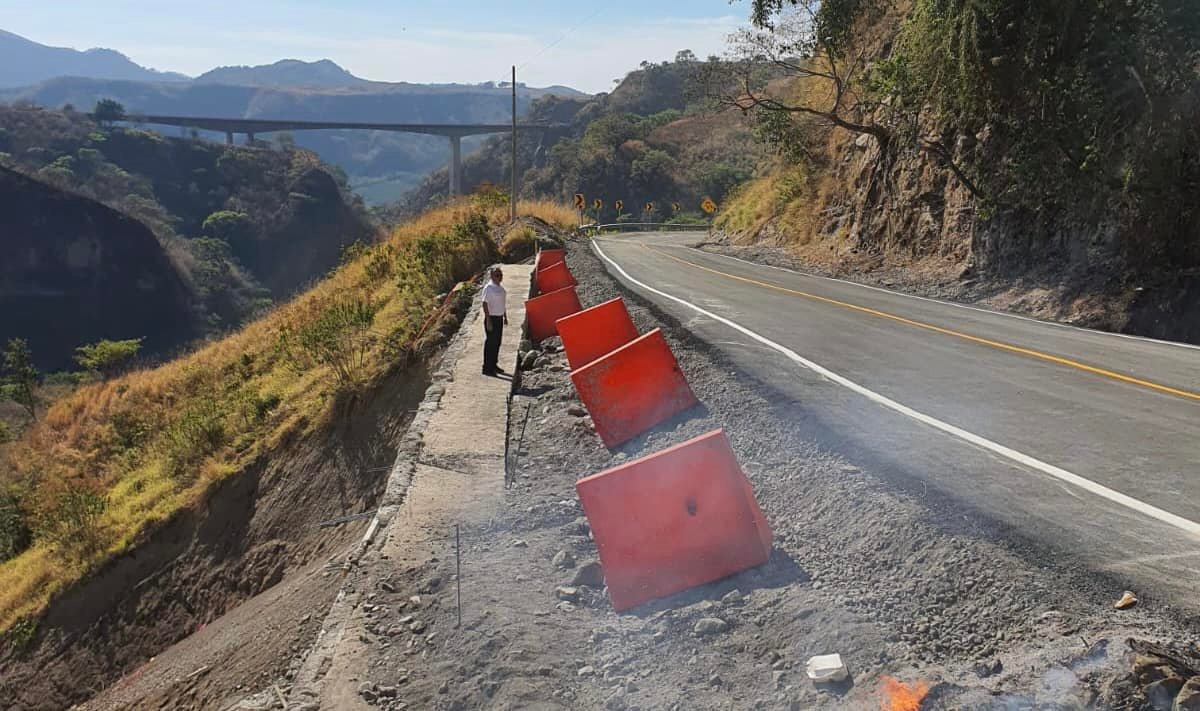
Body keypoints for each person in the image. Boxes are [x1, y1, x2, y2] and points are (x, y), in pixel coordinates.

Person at [481, 266, 508, 376]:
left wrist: (505, 316)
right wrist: (488, 320)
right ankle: (487, 368)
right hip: (492, 318)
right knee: (490, 344)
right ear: (492, 276)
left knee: (497, 343)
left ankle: (494, 364)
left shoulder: (500, 288)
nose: (499, 277)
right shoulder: (489, 288)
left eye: (500, 275)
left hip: (499, 318)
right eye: (497, 275)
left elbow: (502, 303)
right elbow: (484, 304)